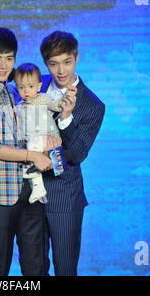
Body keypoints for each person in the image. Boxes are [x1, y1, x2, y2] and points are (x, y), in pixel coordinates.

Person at [0, 27, 53, 276]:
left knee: (37, 266)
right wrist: (31, 155)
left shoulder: (19, 91)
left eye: (9, 58)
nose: (4, 65)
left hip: (32, 190)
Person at [39, 30, 105, 275]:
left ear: (76, 58)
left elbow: (77, 155)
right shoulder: (35, 85)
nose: (61, 71)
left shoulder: (93, 105)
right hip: (29, 193)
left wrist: (66, 118)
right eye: (53, 64)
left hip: (64, 197)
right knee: (33, 269)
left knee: (65, 269)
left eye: (66, 62)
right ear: (46, 63)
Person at [14, 63, 77, 204]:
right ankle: (39, 188)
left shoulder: (43, 98)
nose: (26, 91)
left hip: (48, 137)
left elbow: (57, 105)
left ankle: (35, 174)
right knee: (27, 154)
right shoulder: (18, 107)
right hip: (33, 143)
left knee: (32, 148)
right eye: (21, 87)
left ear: (38, 86)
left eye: (30, 87)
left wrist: (68, 95)